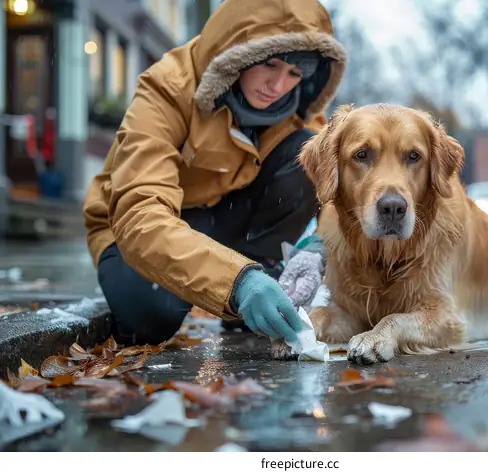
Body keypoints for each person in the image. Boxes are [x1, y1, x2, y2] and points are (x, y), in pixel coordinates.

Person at [82, 0, 347, 347]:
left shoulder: (297, 110)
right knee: (148, 317)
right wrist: (235, 282)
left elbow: (330, 193)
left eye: (295, 74)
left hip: (225, 218)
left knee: (307, 154)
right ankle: (247, 289)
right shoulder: (168, 88)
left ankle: (261, 292)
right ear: (240, 52)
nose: (278, 85)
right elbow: (140, 212)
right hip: (136, 227)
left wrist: (321, 244)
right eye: (270, 63)